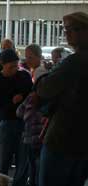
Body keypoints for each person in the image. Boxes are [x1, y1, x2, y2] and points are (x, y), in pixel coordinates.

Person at [36, 12, 88, 186]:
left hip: (63, 139)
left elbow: (44, 89)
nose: (67, 33)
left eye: (71, 29)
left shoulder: (75, 62)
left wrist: (43, 77)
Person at [0, 49, 33, 175]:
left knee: (22, 161)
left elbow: (31, 95)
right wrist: (11, 102)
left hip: (23, 123)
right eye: (11, 67)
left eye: (16, 66)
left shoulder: (24, 76)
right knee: (1, 161)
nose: (14, 69)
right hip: (5, 121)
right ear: (3, 64)